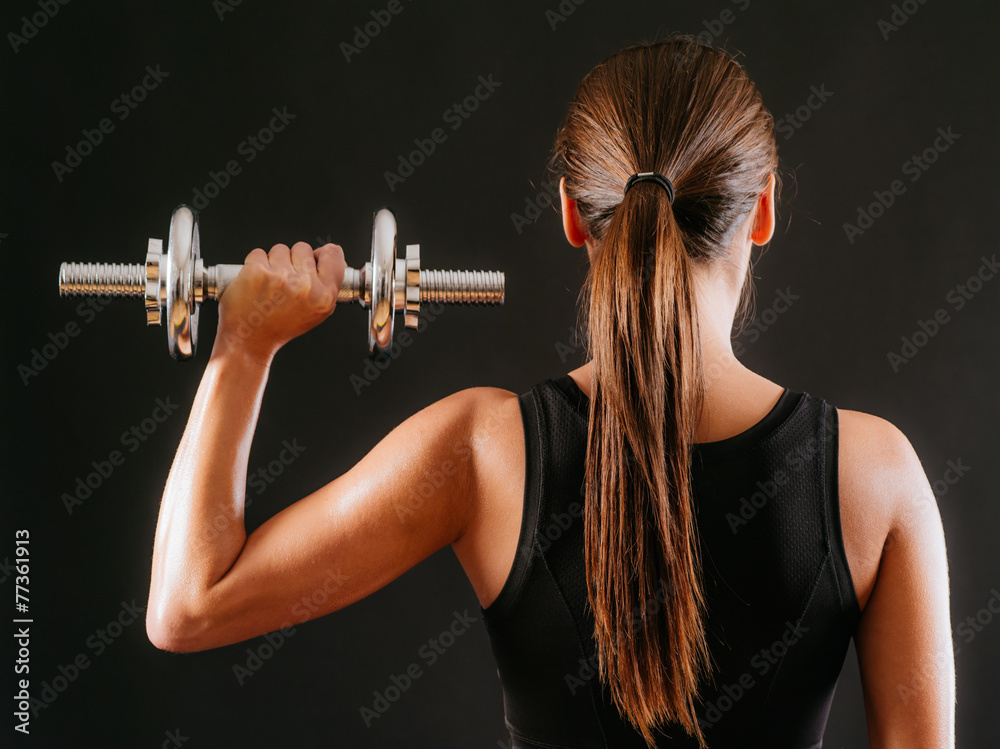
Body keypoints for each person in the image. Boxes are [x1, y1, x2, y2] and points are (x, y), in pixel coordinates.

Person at [146, 36, 954, 748]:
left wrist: (244, 348)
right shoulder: (874, 474)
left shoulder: (483, 449)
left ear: (573, 213)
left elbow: (188, 604)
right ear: (766, 208)